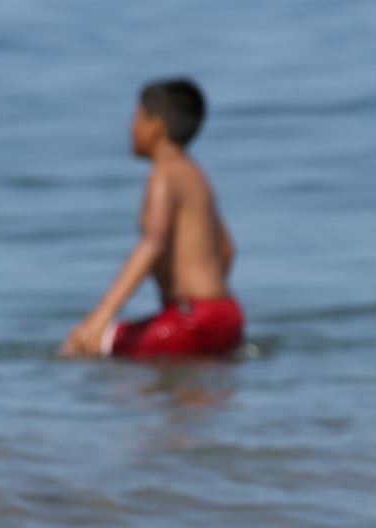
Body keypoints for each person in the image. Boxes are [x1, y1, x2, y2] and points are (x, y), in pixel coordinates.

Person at [61, 78, 243, 360]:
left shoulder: (163, 174)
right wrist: (209, 303)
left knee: (80, 347)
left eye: (136, 118)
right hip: (226, 315)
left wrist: (100, 316)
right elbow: (227, 249)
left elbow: (151, 244)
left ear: (156, 126)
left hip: (190, 320)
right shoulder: (195, 174)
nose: (130, 127)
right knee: (191, 396)